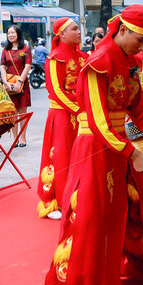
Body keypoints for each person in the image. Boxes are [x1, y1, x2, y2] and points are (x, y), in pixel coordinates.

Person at [40, 5, 143, 285]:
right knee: (87, 222)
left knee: (140, 205)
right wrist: (133, 153)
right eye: (140, 40)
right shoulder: (98, 62)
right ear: (124, 31)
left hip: (118, 147)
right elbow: (99, 121)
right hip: (95, 149)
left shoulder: (131, 64)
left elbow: (138, 110)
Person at [37, 17, 87, 220]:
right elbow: (56, 90)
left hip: (81, 113)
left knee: (81, 155)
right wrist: (79, 110)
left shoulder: (83, 56)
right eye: (74, 29)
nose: (78, 32)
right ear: (62, 34)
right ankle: (57, 201)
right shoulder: (55, 57)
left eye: (78, 28)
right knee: (61, 157)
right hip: (63, 115)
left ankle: (81, 197)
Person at [0, 25, 32, 147]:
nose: (11, 35)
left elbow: (28, 65)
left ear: (18, 34)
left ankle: (23, 138)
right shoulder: (5, 50)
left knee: (23, 111)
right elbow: (2, 67)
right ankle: (15, 138)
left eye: (13, 33)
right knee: (13, 112)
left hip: (22, 83)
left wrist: (20, 82)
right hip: (8, 83)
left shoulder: (25, 49)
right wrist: (5, 82)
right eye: (9, 33)